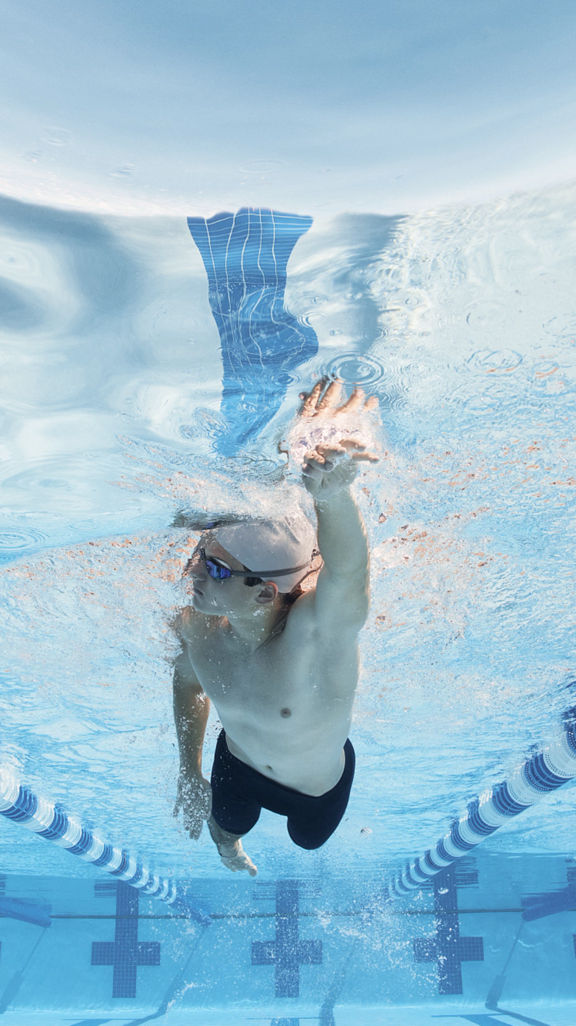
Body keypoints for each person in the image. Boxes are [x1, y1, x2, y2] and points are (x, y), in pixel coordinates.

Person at [172, 379, 379, 875]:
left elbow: (347, 573)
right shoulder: (196, 628)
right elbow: (186, 681)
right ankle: (231, 850)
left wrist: (332, 496)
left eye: (216, 569)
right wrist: (189, 770)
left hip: (316, 787)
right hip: (238, 765)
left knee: (308, 841)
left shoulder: (314, 637)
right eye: (201, 555)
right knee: (227, 825)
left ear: (265, 591)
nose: (192, 571)